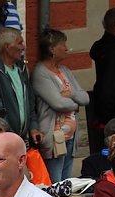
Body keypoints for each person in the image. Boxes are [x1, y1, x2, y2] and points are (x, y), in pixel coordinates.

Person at [31, 28, 89, 183]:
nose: (66, 48)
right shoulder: (41, 73)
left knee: (66, 183)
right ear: (52, 48)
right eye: (63, 44)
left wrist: (71, 95)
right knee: (56, 184)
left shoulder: (64, 70)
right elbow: (58, 103)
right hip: (54, 138)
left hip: (70, 137)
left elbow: (85, 97)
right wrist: (75, 105)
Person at [0, 27, 42, 146]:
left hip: (20, 139)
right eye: (19, 42)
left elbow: (30, 102)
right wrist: (10, 134)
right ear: (7, 47)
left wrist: (33, 127)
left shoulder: (21, 68)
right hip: (1, 139)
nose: (23, 47)